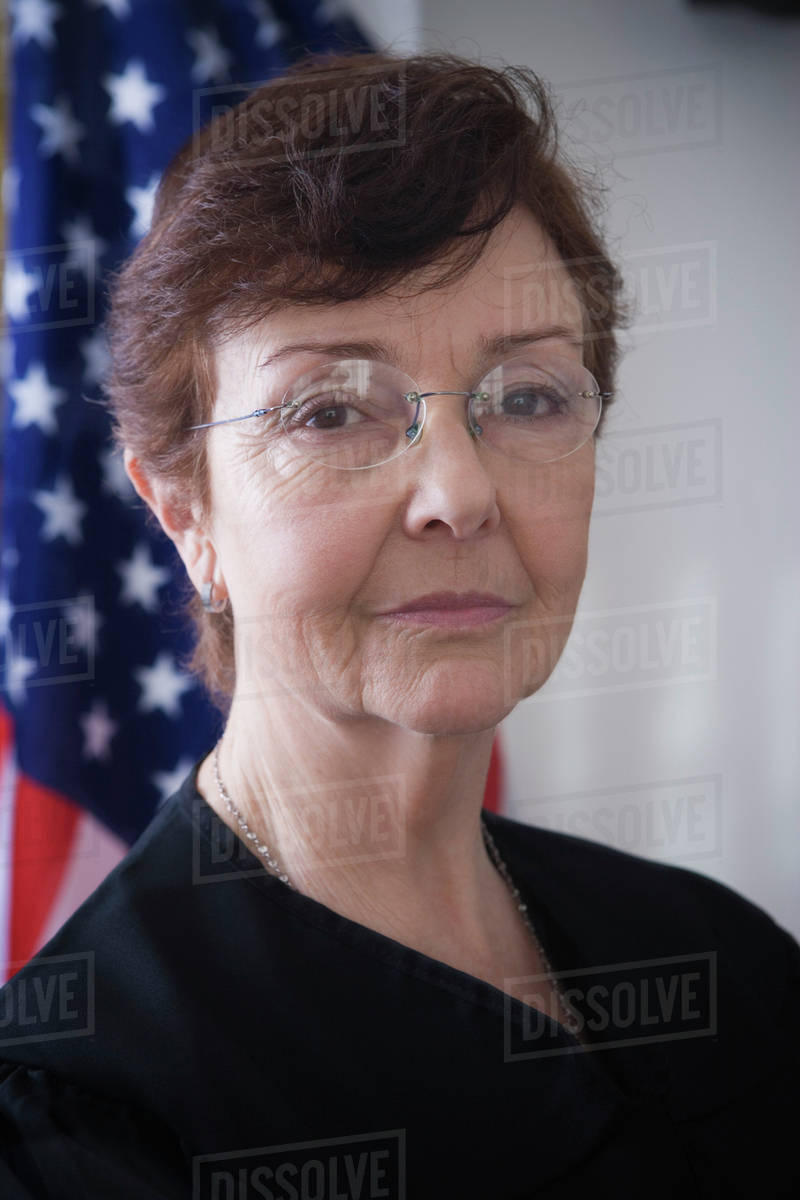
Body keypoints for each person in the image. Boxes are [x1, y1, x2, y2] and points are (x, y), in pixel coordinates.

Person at [0, 49, 797, 1199]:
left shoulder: (720, 957)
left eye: (525, 397)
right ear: (186, 515)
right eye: (331, 412)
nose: (459, 493)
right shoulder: (85, 1119)